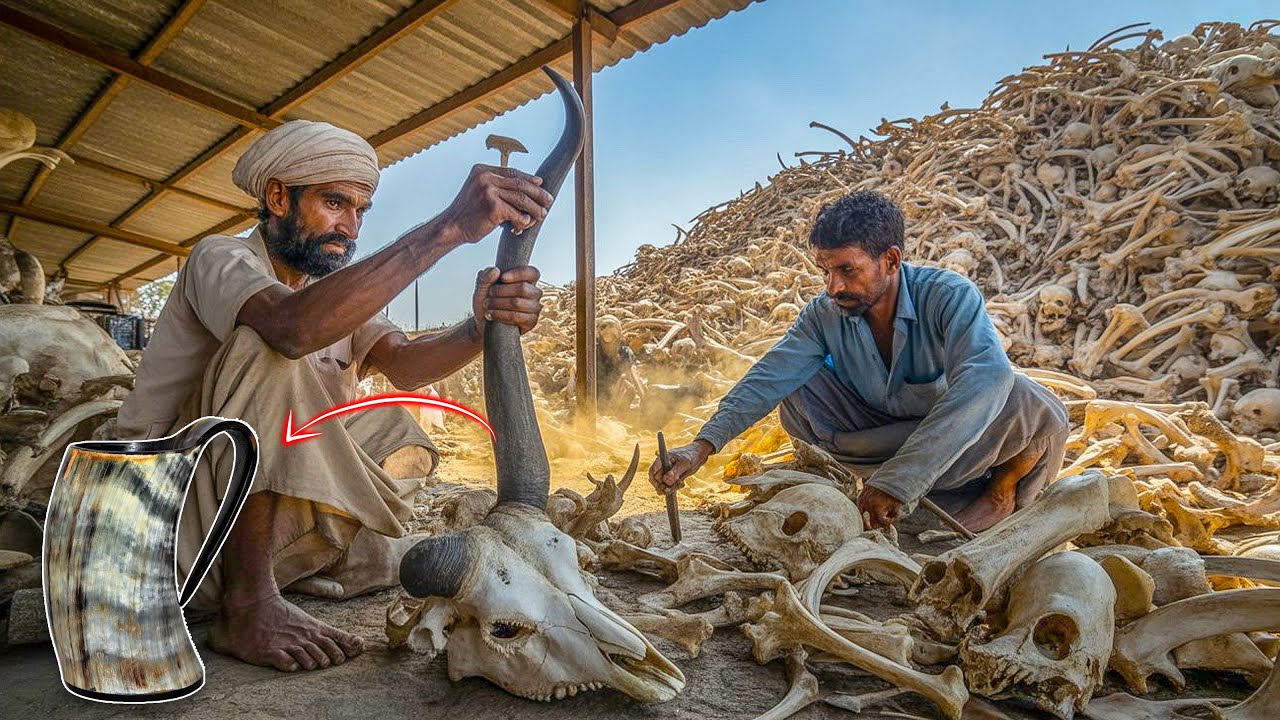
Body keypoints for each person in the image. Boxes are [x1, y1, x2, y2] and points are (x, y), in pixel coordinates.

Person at [114, 120, 553, 673]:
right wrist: (446, 229)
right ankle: (246, 602)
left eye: (360, 211)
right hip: (168, 517)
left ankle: (293, 564)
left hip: (258, 523)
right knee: (268, 349)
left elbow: (406, 366)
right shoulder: (219, 258)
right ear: (278, 197)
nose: (350, 226)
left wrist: (478, 326)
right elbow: (289, 330)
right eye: (334, 203)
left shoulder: (334, 293)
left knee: (398, 429)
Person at [649, 191, 1068, 534]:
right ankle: (875, 485)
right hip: (873, 441)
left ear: (890, 260)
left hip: (953, 440)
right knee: (794, 383)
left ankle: (999, 493)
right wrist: (702, 446)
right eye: (826, 271)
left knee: (1028, 401)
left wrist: (898, 482)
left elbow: (986, 378)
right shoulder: (825, 313)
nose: (834, 287)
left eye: (847, 270)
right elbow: (770, 375)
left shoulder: (947, 295)